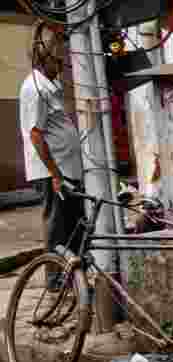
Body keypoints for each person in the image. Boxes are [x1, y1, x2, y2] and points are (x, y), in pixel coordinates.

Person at [19, 23, 84, 284]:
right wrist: (55, 174)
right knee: (57, 226)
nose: (61, 66)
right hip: (51, 172)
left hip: (66, 167)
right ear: (44, 59)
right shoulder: (34, 88)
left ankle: (73, 274)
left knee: (72, 222)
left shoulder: (49, 84)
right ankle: (55, 278)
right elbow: (35, 134)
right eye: (57, 61)